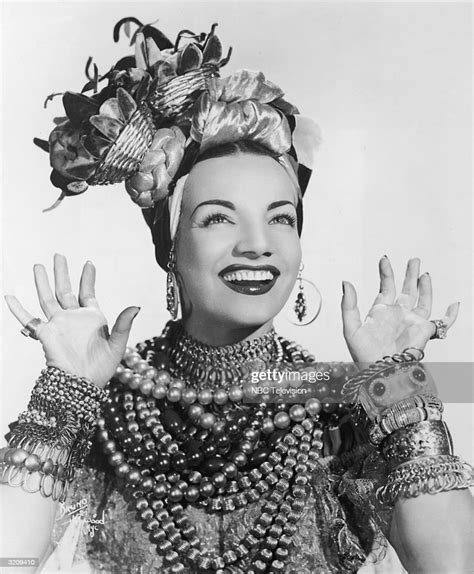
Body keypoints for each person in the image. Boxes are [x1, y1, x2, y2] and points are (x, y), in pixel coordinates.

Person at [1, 17, 472, 574]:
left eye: (281, 219)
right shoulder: (104, 408)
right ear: (170, 246)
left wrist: (395, 381)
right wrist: (66, 394)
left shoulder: (345, 401)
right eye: (219, 218)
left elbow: (451, 566)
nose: (257, 246)